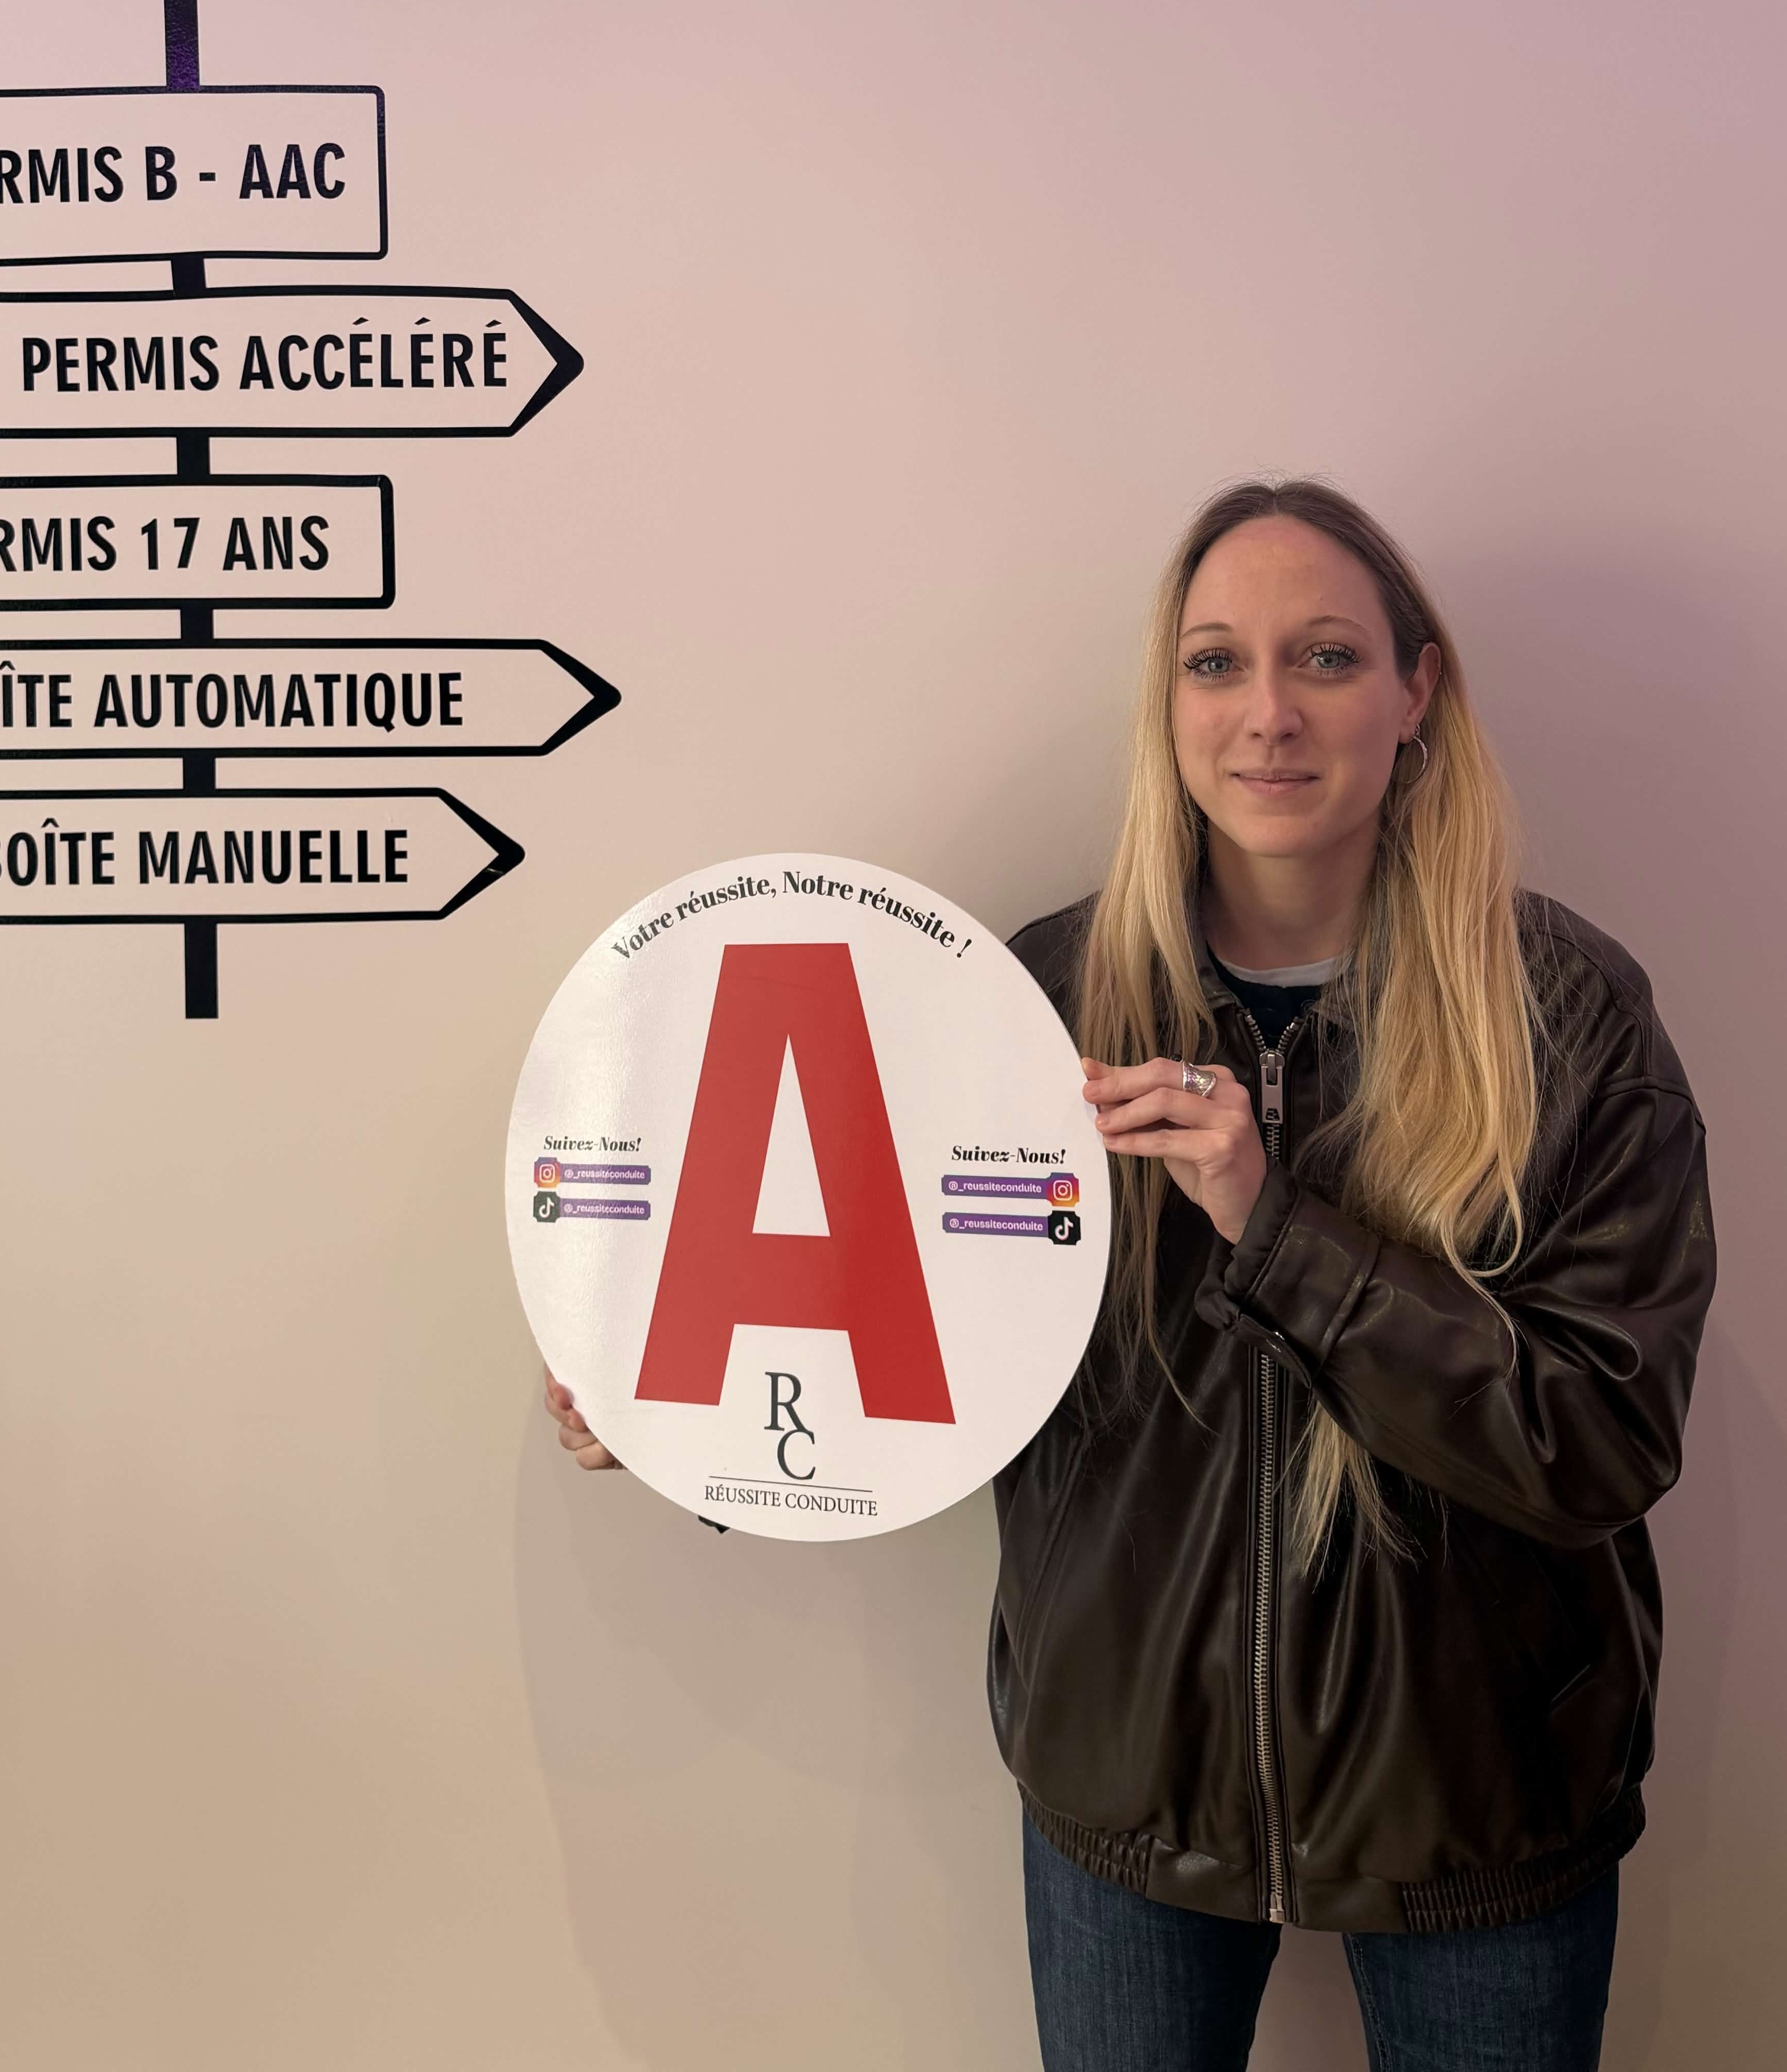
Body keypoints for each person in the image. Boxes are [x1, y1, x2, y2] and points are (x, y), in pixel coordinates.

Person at [548, 477, 1714, 2072]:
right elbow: (916, 1354)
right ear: (1165, 703)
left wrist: (1271, 1216)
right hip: (1123, 1792)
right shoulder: (1024, 1001)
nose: (1267, 717)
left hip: (1480, 1803)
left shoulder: (1563, 1015)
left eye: (1323, 657)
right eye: (1215, 663)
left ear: (1415, 692)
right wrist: (682, 1420)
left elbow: (1598, 1441)